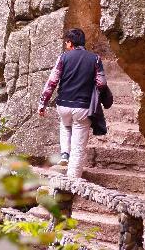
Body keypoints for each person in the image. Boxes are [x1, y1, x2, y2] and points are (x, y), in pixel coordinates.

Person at [37, 27, 107, 178]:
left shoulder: (63, 58)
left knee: (65, 125)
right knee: (79, 147)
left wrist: (42, 104)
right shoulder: (95, 59)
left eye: (66, 42)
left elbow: (52, 82)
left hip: (63, 105)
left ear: (70, 43)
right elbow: (101, 83)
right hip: (83, 107)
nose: (65, 45)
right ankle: (72, 180)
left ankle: (64, 155)